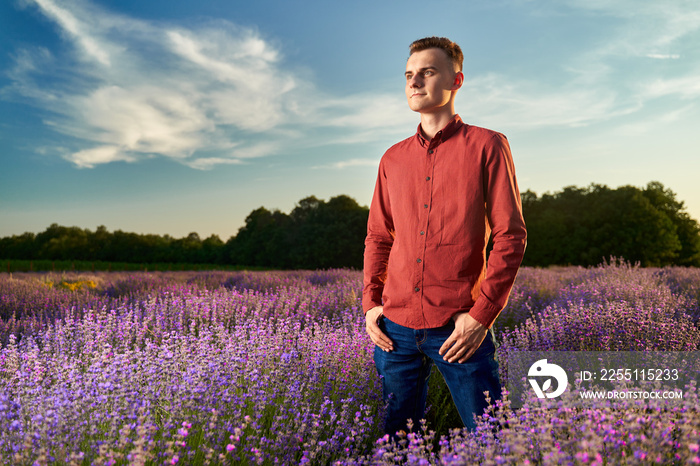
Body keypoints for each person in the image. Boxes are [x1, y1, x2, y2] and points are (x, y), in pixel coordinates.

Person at [362, 36, 527, 436]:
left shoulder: (488, 145)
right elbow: (378, 237)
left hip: (457, 326)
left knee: (493, 439)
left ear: (456, 80)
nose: (415, 82)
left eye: (428, 72)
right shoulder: (392, 158)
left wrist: (481, 317)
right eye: (409, 75)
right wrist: (370, 304)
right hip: (394, 330)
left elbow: (510, 235)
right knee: (397, 445)